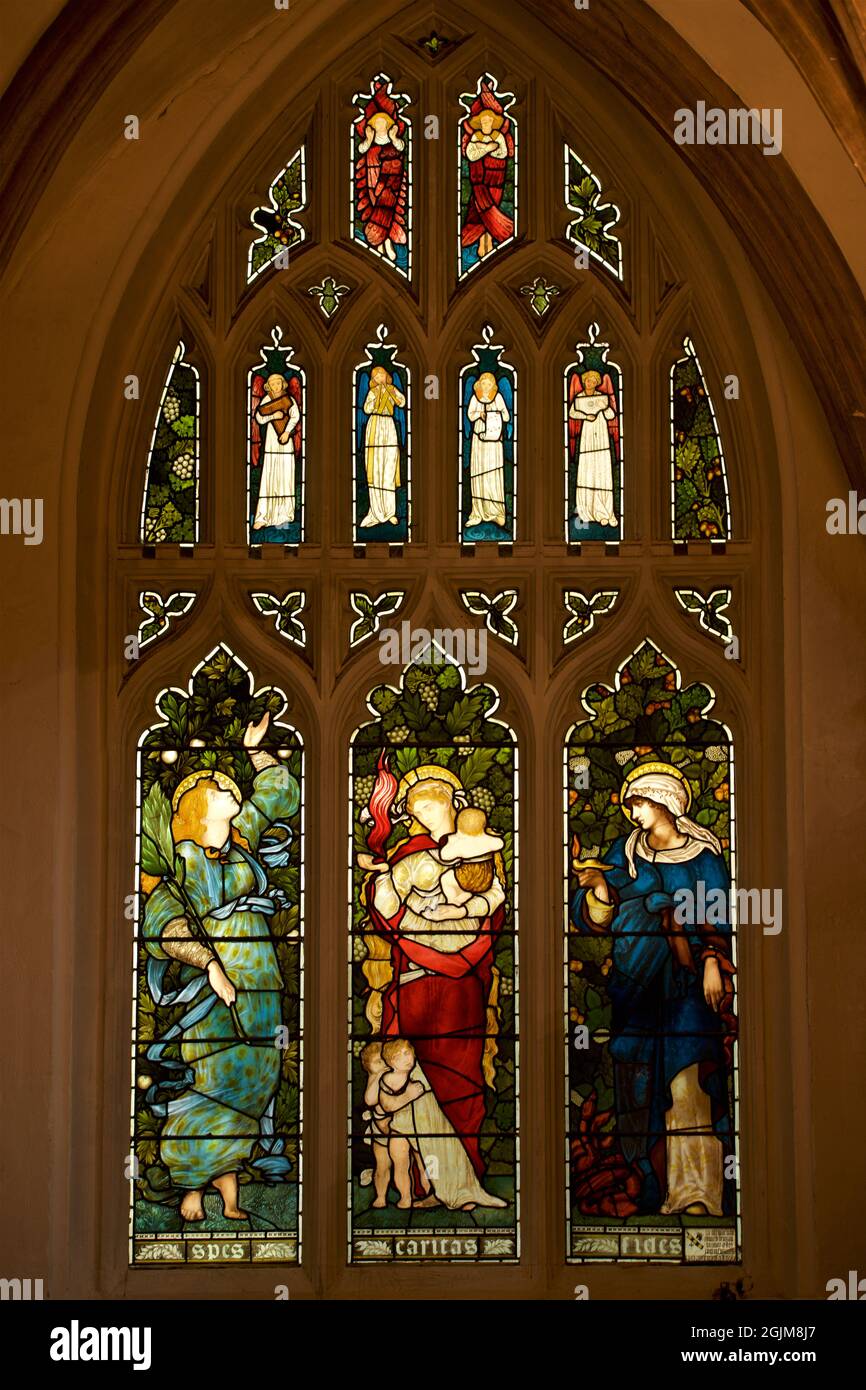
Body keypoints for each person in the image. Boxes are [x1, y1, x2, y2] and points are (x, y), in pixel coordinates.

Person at [142, 712, 299, 1223]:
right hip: (221, 990)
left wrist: (257, 752)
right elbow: (165, 924)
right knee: (213, 1080)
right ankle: (191, 1185)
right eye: (216, 788)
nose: (228, 789)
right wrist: (209, 964)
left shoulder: (241, 839)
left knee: (261, 1076)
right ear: (195, 809)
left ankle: (230, 1192)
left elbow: (279, 793)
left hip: (262, 986)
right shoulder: (186, 860)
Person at [570, 762, 736, 1216]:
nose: (633, 813)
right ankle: (650, 1187)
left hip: (687, 987)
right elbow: (591, 916)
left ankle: (698, 1192)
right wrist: (601, 888)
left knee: (687, 1082)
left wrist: (709, 963)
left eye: (639, 803)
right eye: (630, 805)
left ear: (664, 802)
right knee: (638, 1084)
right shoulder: (626, 854)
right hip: (636, 985)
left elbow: (718, 915)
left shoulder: (704, 859)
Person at [358, 766, 505, 1179]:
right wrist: (390, 890)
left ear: (452, 802)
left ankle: (465, 1171)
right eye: (413, 805)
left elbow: (493, 911)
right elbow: (387, 914)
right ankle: (422, 1181)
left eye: (429, 800)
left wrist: (462, 931)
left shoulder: (482, 853)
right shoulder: (407, 856)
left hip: (465, 984)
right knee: (416, 1071)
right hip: (416, 979)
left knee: (462, 1077)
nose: (421, 811)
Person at [354, 81, 408, 266]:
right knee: (374, 206)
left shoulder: (393, 140)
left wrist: (393, 137)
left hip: (390, 180)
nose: (380, 126)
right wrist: (368, 139)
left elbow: (400, 148)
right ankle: (380, 244)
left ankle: (385, 243)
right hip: (371, 175)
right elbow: (362, 148)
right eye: (376, 123)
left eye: (383, 122)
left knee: (388, 210)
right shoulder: (370, 141)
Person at [461, 84, 515, 264]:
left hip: (495, 182)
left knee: (490, 211)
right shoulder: (475, 137)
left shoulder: (499, 136)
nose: (486, 124)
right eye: (483, 122)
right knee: (478, 212)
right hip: (478, 184)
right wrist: (487, 148)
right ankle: (483, 244)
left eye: (489, 122)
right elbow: (471, 153)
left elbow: (502, 152)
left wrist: (484, 149)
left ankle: (488, 241)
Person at [568, 369, 618, 528]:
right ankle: (586, 510)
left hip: (601, 433)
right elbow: (572, 413)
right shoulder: (580, 397)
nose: (589, 383)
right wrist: (585, 416)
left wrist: (604, 408)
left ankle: (605, 511)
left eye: (592, 381)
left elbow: (611, 416)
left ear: (597, 383)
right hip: (588, 433)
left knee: (601, 467)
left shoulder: (602, 398)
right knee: (588, 467)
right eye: (587, 381)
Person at [252, 372, 301, 531]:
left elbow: (295, 416)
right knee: (270, 474)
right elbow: (259, 418)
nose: (276, 387)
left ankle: (285, 515)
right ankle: (264, 516)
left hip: (285, 441)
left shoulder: (289, 399)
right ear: (269, 386)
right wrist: (273, 416)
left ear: (283, 384)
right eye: (272, 384)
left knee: (285, 474)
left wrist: (287, 432)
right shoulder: (267, 399)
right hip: (272, 441)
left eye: (278, 383)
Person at [359, 365, 405, 528]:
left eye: (382, 375)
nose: (380, 379)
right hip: (375, 425)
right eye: (377, 376)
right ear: (373, 380)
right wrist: (378, 397)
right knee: (376, 469)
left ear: (387, 377)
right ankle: (376, 512)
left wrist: (391, 393)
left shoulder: (392, 390)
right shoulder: (372, 392)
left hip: (389, 426)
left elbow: (402, 401)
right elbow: (367, 408)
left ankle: (390, 512)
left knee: (389, 468)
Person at [466, 371, 509, 530]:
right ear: (479, 385)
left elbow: (506, 417)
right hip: (479, 440)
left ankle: (497, 512)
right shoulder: (475, 398)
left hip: (494, 440)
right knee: (479, 473)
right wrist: (480, 414)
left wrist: (494, 414)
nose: (486, 386)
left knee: (493, 473)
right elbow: (470, 415)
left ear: (493, 386)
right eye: (483, 383)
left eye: (489, 384)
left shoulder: (498, 398)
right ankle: (478, 512)